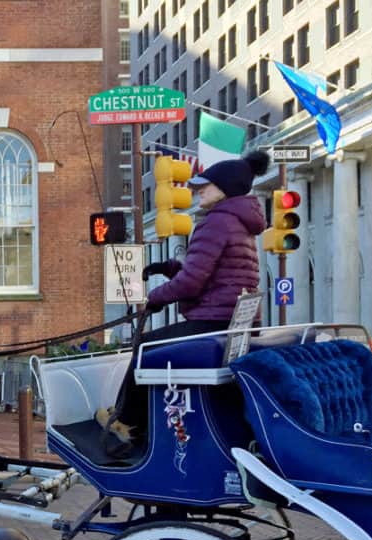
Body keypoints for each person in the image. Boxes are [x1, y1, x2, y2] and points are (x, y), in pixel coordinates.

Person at [98, 149, 270, 453]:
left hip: (211, 323)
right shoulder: (241, 223)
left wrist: (155, 297)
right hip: (232, 325)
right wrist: (169, 269)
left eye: (205, 186)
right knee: (155, 346)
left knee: (145, 347)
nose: (197, 191)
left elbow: (192, 284)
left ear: (225, 189)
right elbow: (216, 276)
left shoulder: (216, 222)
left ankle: (128, 423)